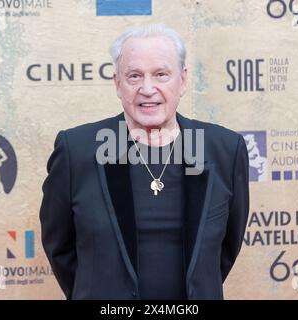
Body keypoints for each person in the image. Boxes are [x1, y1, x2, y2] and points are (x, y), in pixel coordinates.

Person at [39, 24, 249, 300]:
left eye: (161, 74)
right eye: (134, 76)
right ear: (117, 84)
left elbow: (224, 249)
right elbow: (59, 246)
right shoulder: (76, 150)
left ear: (183, 81)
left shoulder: (224, 150)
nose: (147, 89)